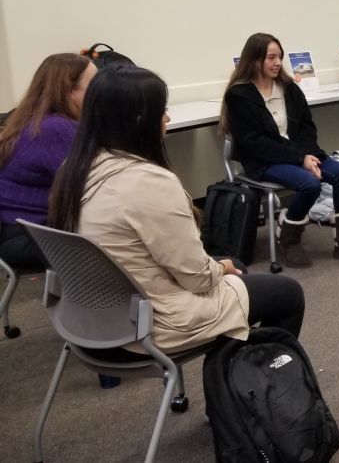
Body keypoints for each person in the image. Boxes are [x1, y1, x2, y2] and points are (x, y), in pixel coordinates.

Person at [49, 65, 306, 353]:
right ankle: (248, 384)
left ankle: (236, 371)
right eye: (162, 110)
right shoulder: (148, 182)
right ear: (138, 119)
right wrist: (222, 267)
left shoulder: (73, 169)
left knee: (239, 268)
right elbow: (198, 278)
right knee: (287, 293)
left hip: (89, 316)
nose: (168, 118)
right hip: (148, 324)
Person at [222, 32, 339, 268]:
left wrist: (307, 154)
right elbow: (255, 143)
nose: (278, 62)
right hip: (264, 160)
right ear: (255, 59)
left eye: (279, 57)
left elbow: (306, 127)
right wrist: (300, 158)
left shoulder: (288, 87)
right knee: (309, 184)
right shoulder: (239, 95)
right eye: (271, 57)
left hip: (301, 154)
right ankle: (288, 238)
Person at [0, 53, 96, 270]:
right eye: (94, 84)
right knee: (123, 240)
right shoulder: (55, 128)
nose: (100, 92)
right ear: (69, 91)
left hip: (15, 229)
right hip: (26, 236)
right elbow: (93, 184)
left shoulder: (32, 118)